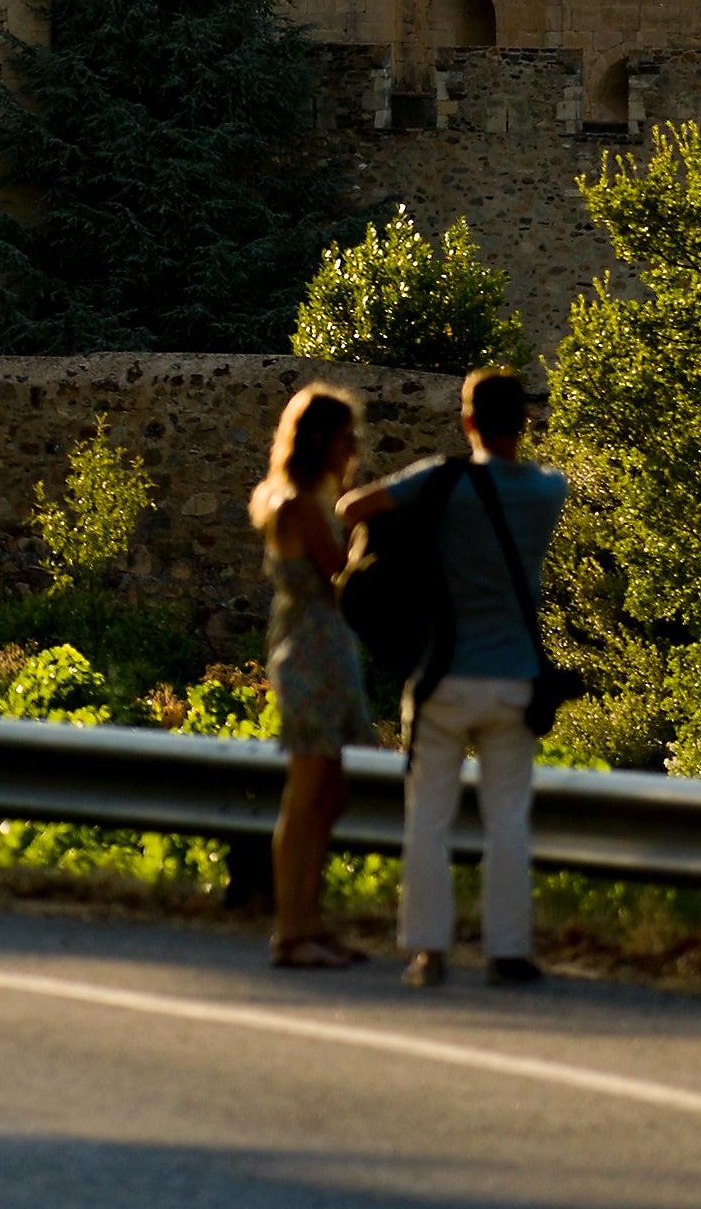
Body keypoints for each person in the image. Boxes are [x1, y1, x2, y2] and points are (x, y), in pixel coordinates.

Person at [349, 367, 568, 988]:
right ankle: (508, 952)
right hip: (516, 679)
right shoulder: (550, 490)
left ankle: (429, 951)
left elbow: (353, 508)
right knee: (508, 821)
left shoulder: (440, 480)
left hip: (443, 673)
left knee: (429, 819)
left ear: (467, 419)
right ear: (525, 422)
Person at [247, 384, 366, 967]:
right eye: (345, 437)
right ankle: (291, 930)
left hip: (325, 653)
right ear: (320, 439)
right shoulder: (297, 503)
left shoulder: (302, 498)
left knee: (329, 794)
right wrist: (366, 524)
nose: (354, 447)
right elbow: (342, 574)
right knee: (307, 795)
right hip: (311, 657)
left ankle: (310, 922)